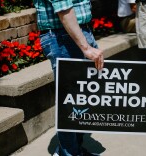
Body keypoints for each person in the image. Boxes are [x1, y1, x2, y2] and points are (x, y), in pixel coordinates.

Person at [33, 0, 104, 156]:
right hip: (63, 37)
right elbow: (64, 9)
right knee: (70, 101)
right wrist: (85, 47)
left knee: (81, 99)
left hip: (74, 33)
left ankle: (74, 150)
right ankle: (69, 153)